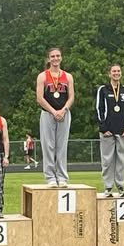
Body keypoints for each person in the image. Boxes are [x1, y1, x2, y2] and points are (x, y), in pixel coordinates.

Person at [36, 47, 74, 187]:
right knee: (48, 146)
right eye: (53, 56)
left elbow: (71, 97)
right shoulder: (43, 76)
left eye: (58, 56)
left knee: (62, 146)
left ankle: (62, 177)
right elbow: (40, 98)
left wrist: (63, 110)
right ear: (48, 59)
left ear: (61, 58)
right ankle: (50, 177)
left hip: (64, 114)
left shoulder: (68, 76)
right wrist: (53, 111)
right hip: (47, 114)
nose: (55, 58)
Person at [95, 63, 124, 197]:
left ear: (121, 73)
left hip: (123, 131)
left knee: (121, 160)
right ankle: (108, 187)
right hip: (107, 131)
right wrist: (103, 128)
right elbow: (99, 109)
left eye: (118, 71)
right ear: (109, 74)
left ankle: (121, 186)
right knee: (107, 160)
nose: (116, 73)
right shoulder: (103, 90)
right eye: (114, 71)